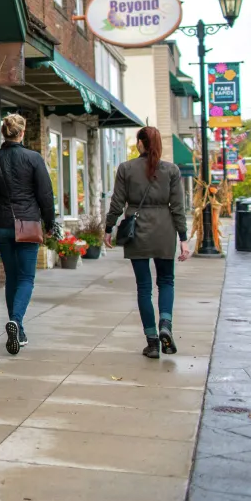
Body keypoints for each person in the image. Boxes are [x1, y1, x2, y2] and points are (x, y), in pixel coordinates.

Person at [0, 113, 56, 354]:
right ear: (22, 133)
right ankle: (16, 321)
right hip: (27, 224)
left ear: (5, 133)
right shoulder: (34, 158)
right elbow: (46, 195)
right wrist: (50, 223)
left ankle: (19, 329)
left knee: (12, 277)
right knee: (26, 278)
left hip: (2, 225)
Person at [104, 125, 189, 359]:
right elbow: (178, 208)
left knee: (144, 288)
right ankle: (166, 324)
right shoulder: (171, 170)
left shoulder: (126, 169)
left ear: (141, 143)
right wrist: (183, 239)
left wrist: (109, 228)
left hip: (137, 230)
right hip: (165, 230)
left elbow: (117, 202)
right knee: (166, 281)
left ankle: (152, 342)